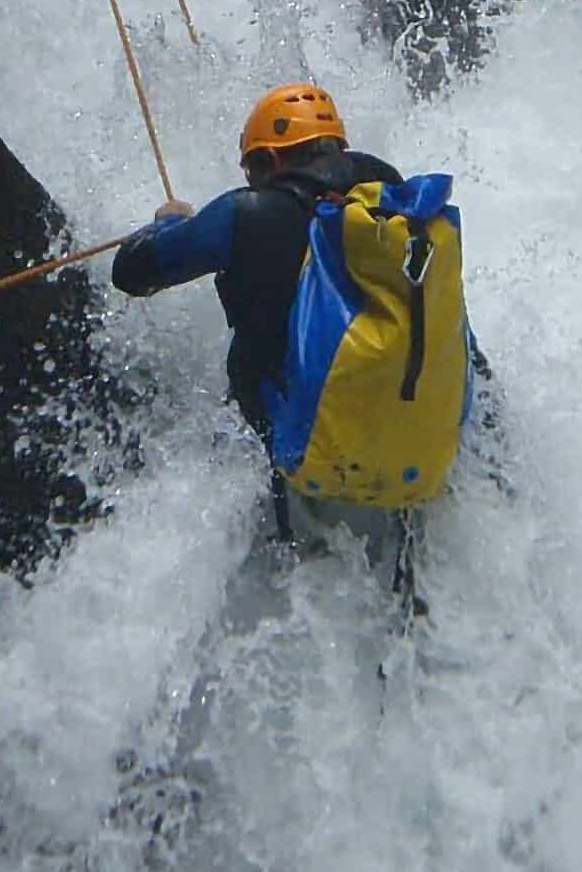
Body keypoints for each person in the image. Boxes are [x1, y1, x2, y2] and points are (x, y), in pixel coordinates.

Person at [111, 83, 497, 585]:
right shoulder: (402, 215)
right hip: (422, 453)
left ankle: (278, 563)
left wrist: (165, 225)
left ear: (269, 161)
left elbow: (132, 272)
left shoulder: (247, 213)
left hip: (299, 450)